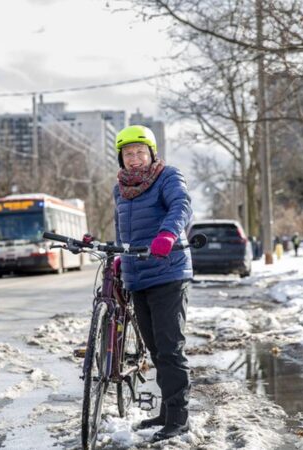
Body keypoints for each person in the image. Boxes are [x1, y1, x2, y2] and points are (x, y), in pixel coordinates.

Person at [113, 124, 193, 442]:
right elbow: (122, 226)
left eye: (139, 152)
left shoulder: (168, 176)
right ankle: (166, 412)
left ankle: (179, 419)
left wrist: (168, 234)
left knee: (171, 349)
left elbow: (181, 206)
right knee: (157, 349)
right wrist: (120, 254)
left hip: (168, 271)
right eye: (128, 154)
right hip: (137, 275)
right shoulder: (119, 187)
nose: (134, 159)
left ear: (152, 153)